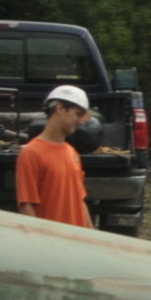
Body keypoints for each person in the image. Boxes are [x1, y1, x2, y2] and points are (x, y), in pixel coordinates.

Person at [15, 82, 94, 227]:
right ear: (60, 109)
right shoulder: (31, 153)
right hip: (51, 244)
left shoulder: (73, 153)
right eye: (78, 114)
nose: (81, 122)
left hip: (74, 244)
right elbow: (26, 206)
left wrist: (93, 238)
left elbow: (79, 201)